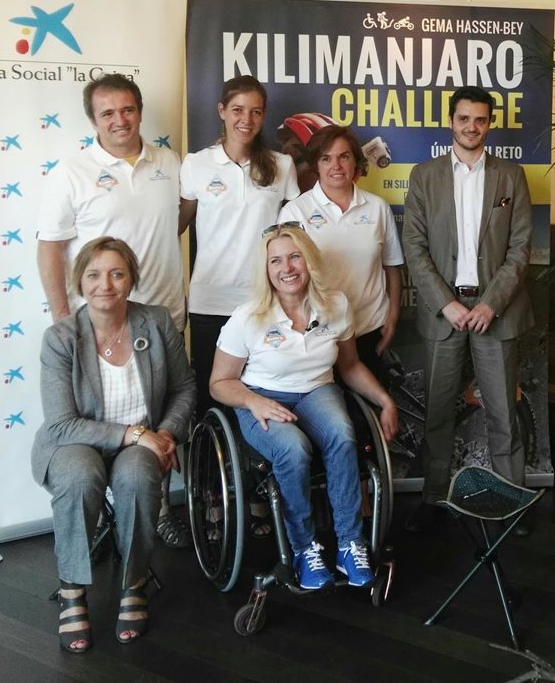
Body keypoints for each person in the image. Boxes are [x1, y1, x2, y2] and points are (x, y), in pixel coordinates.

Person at [37, 73, 189, 548]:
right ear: (93, 120)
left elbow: (176, 220)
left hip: (165, 313)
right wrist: (64, 318)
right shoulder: (71, 172)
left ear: (139, 111)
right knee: (105, 415)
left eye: (127, 109)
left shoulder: (169, 162)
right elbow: (50, 247)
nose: (119, 120)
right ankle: (105, 510)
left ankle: (157, 509)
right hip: (102, 321)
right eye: (107, 113)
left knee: (161, 413)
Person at [210, 224, 399, 590]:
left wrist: (385, 400)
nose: (287, 268)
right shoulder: (247, 317)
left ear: (309, 260)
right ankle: (304, 547)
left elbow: (349, 366)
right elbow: (219, 383)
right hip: (260, 395)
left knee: (342, 434)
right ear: (266, 269)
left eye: (295, 257)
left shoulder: (336, 305)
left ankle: (350, 544)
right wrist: (254, 401)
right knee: (292, 449)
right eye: (276, 260)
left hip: (317, 390)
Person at [31, 237, 195, 653]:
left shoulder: (156, 322)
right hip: (74, 442)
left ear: (131, 279)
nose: (105, 284)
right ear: (79, 282)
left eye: (117, 273)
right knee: (78, 476)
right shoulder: (61, 338)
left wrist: (166, 434)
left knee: (138, 476)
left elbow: (184, 388)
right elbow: (62, 423)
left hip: (142, 444)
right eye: (94, 274)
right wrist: (135, 434)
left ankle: (134, 583)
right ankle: (72, 589)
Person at [401, 85, 534, 534]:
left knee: (503, 414)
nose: (471, 127)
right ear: (451, 122)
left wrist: (491, 303)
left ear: (489, 124)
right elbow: (414, 247)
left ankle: (511, 503)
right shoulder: (425, 176)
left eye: (480, 119)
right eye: (464, 119)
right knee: (438, 413)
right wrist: (447, 304)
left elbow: (520, 248)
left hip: (497, 310)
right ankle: (435, 497)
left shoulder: (511, 176)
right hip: (445, 312)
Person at [179, 76, 299, 408]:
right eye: (237, 110)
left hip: (263, 300)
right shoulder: (196, 164)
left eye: (255, 112)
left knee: (262, 394)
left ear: (263, 116)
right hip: (210, 300)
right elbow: (175, 225)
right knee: (212, 396)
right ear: (221, 111)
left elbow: (294, 236)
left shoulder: (282, 165)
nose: (246, 120)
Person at [277, 124, 403, 379]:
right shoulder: (295, 211)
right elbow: (283, 275)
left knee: (371, 404)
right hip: (318, 334)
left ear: (355, 161)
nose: (336, 166)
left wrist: (392, 319)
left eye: (344, 157)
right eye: (326, 158)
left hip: (370, 330)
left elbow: (392, 267)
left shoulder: (377, 208)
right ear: (316, 164)